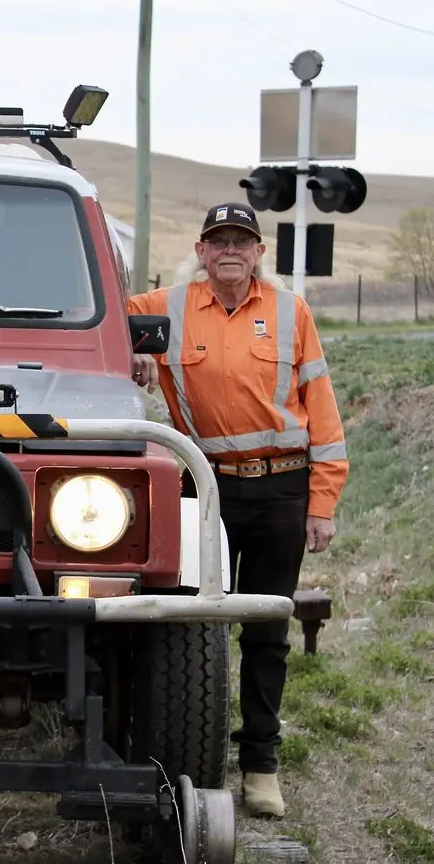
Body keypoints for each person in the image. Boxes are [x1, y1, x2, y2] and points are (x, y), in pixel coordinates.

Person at [126, 201, 349, 819]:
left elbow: (323, 414)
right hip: (206, 489)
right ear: (201, 251)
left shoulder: (289, 312)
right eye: (218, 240)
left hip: (282, 490)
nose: (230, 250)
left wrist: (322, 502)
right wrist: (134, 349)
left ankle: (260, 766)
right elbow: (96, 315)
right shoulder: (164, 307)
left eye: (241, 241)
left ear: (258, 254)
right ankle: (180, 758)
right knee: (189, 626)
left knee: (266, 631)